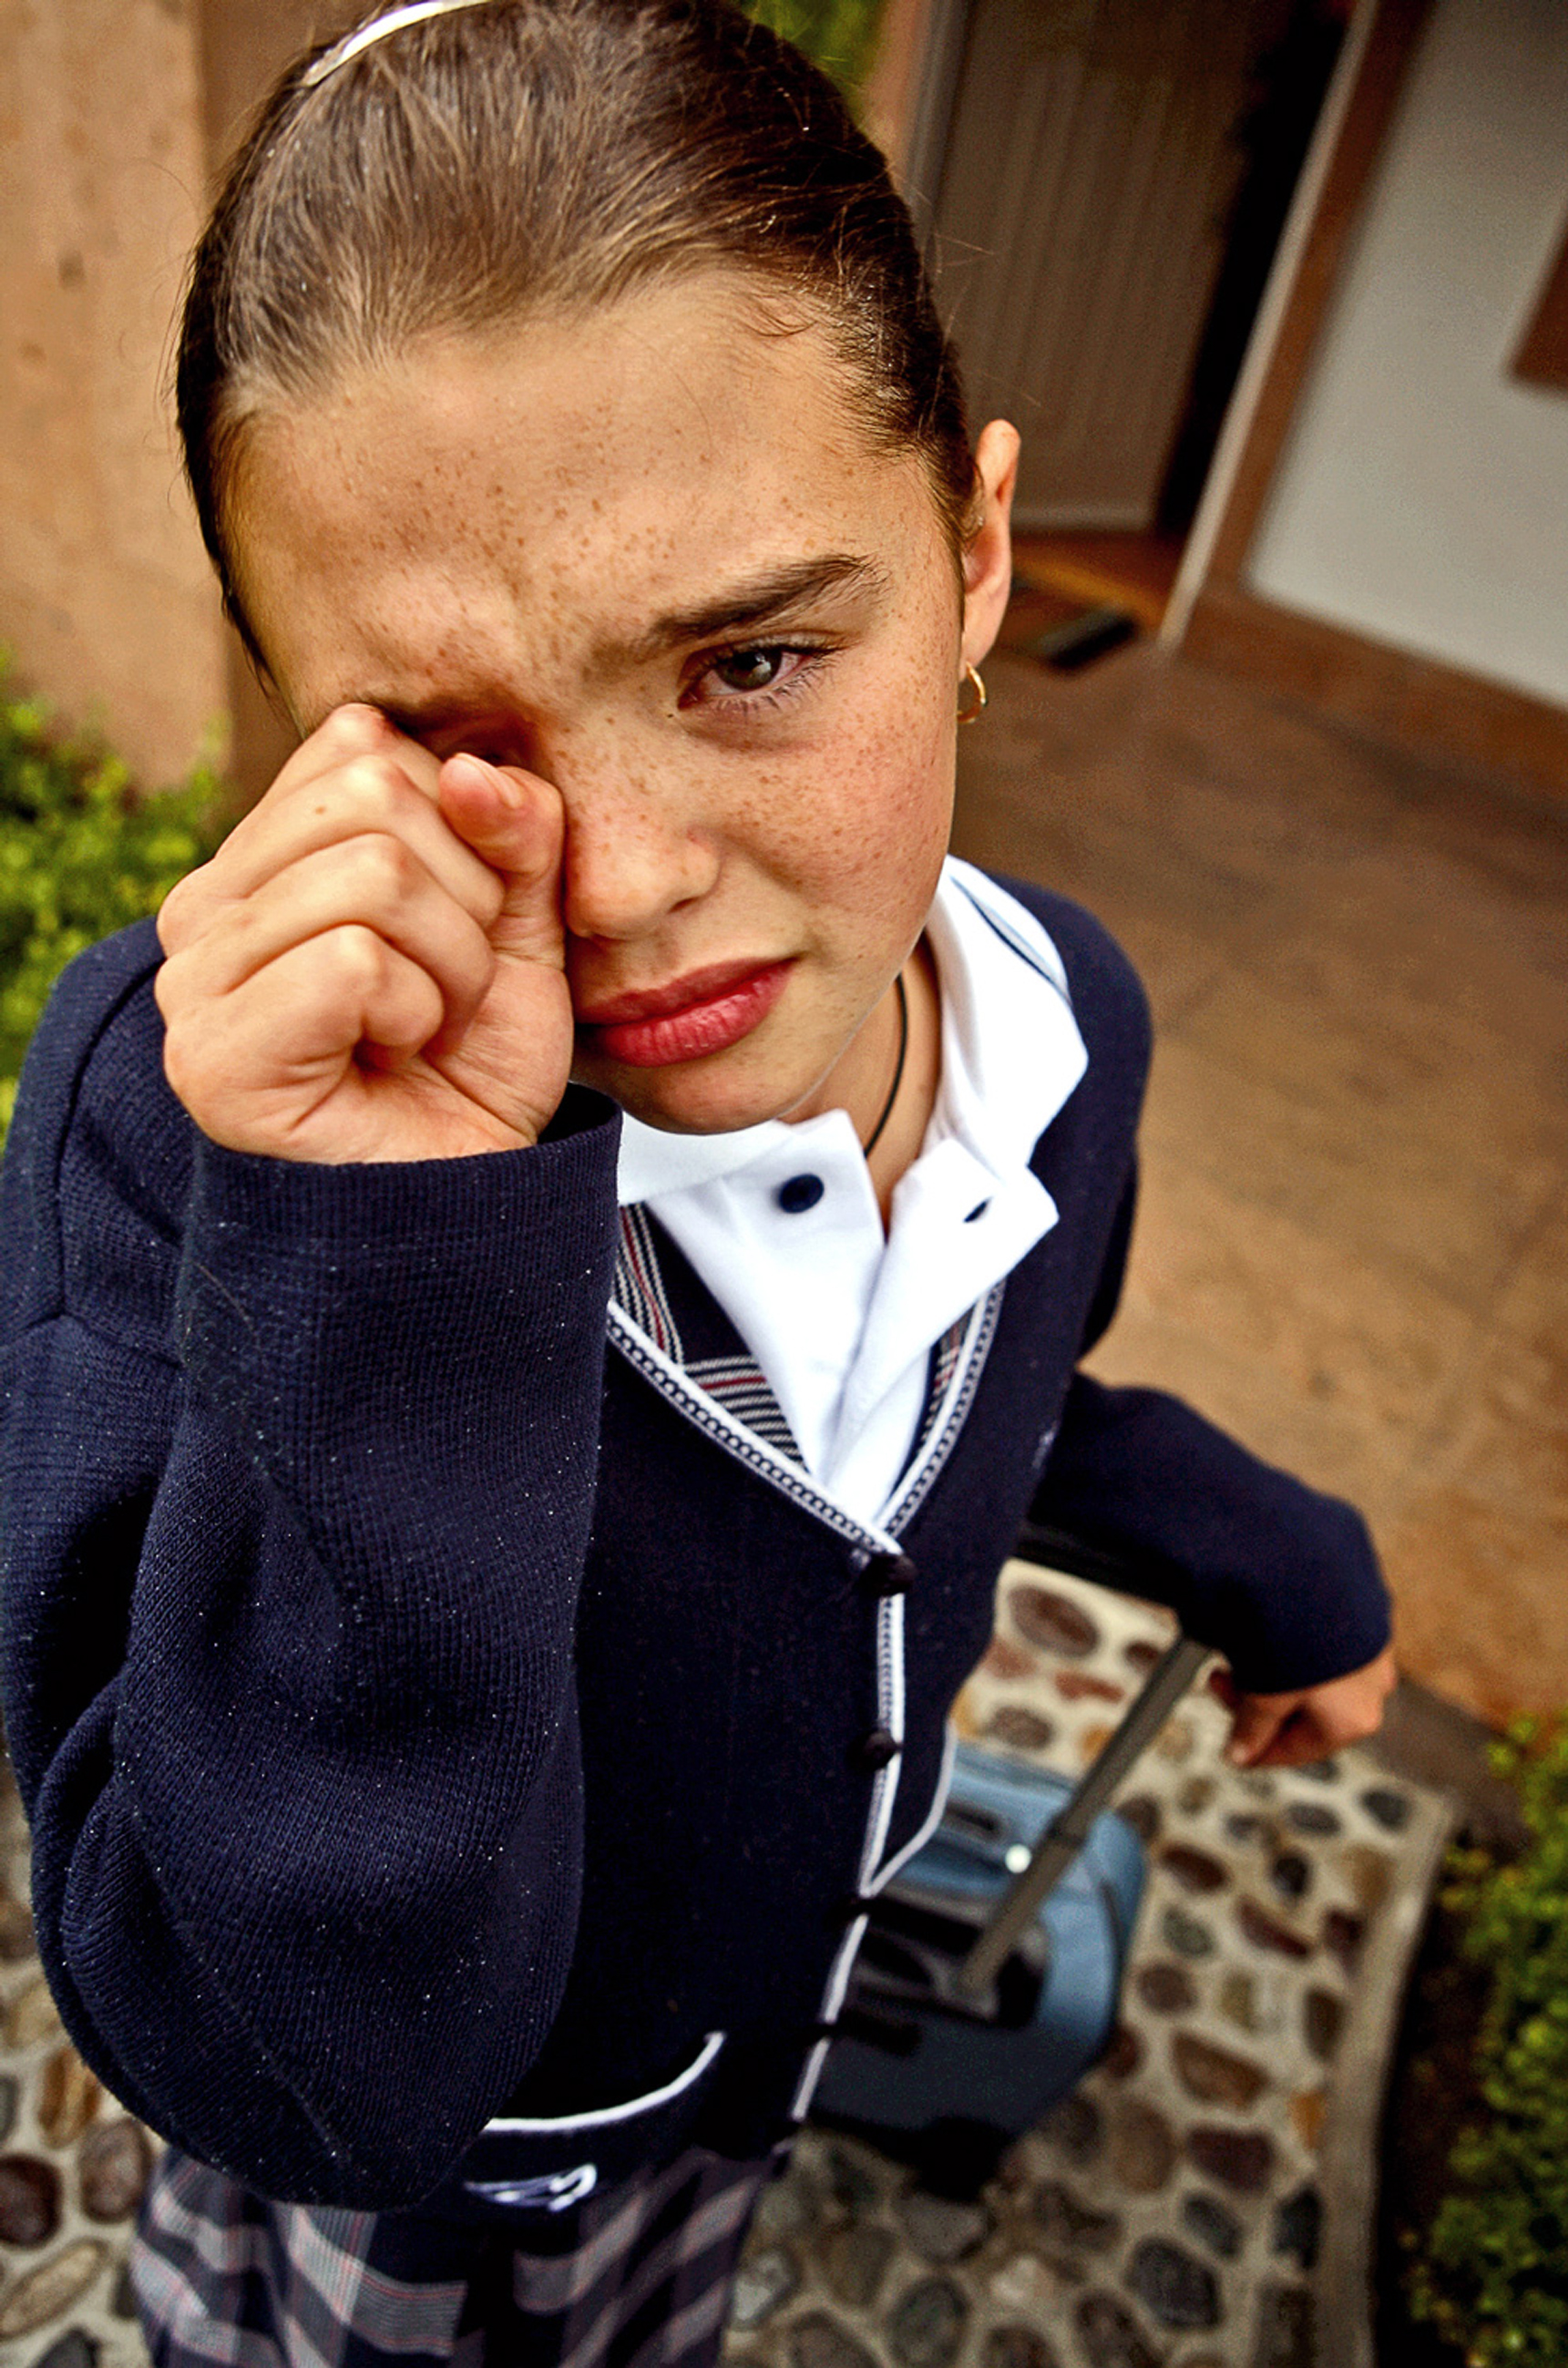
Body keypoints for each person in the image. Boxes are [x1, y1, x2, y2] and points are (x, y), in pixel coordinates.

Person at [0, 2, 1397, 2361]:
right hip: (418, 2164)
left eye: (749, 659)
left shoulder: (1065, 1031)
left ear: (968, 550)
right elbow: (258, 2051)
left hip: (738, 2069)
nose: (629, 884)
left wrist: (1256, 1545)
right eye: (446, 736)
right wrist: (380, 1256)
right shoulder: (183, 1136)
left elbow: (974, 1399)